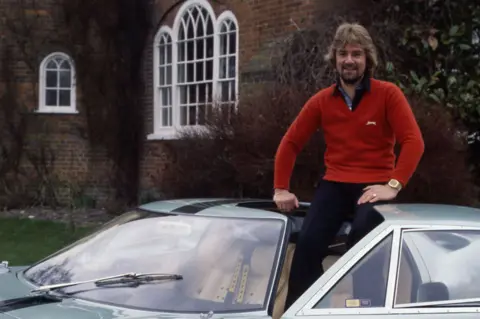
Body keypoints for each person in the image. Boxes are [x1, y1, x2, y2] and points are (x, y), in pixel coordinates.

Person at [273, 22, 425, 308]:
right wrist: (281, 188)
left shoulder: (388, 94)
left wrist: (393, 185)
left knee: (362, 241)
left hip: (374, 186)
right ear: (335, 59)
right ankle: (304, 311)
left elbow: (414, 141)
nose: (349, 60)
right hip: (335, 184)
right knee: (307, 244)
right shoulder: (321, 101)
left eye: (356, 54)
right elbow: (290, 142)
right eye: (343, 53)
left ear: (368, 59)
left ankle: (366, 310)